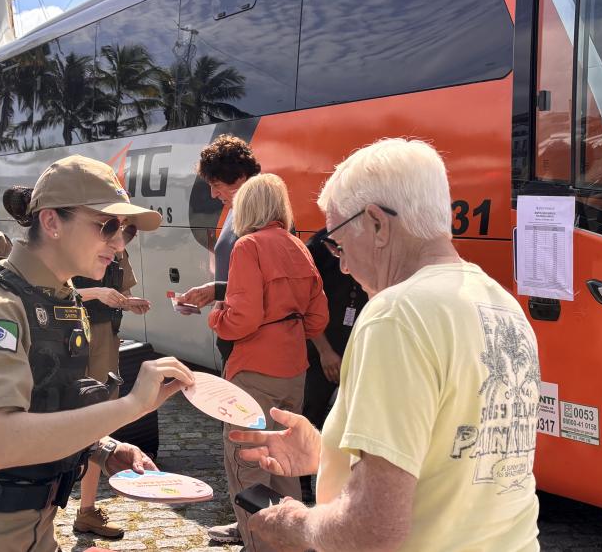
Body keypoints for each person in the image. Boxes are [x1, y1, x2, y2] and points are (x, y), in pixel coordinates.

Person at [230, 139, 541, 551]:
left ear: (376, 224)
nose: (341, 264)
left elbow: (370, 533)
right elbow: (450, 461)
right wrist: (330, 453)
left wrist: (296, 524)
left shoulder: (396, 313)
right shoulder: (501, 303)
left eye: (338, 242)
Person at [0, 155, 195, 551]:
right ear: (51, 222)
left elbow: (44, 403)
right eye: (107, 226)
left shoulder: (60, 299)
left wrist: (102, 448)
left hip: (34, 527)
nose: (118, 243)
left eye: (126, 231)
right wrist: (133, 405)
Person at [208, 173, 328, 552]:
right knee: (284, 464)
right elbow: (317, 319)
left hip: (255, 368)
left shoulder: (249, 246)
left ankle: (258, 543)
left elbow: (239, 320)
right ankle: (292, 542)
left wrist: (216, 316)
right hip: (294, 369)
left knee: (248, 464)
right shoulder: (298, 246)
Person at [176, 135, 261, 545]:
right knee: (241, 439)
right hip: (238, 337)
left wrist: (216, 294)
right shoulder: (235, 212)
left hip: (249, 341)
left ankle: (254, 528)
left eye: (216, 184)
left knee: (246, 439)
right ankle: (249, 521)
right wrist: (215, 292)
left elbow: (258, 285)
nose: (212, 193)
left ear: (238, 177)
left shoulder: (256, 216)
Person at [71, 248, 151, 538]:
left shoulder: (118, 250)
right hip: (70, 340)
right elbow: (49, 292)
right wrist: (97, 293)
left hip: (105, 341)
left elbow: (120, 292)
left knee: (98, 425)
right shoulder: (73, 238)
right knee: (63, 421)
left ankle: (87, 510)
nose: (121, 235)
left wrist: (129, 303)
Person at [299, 228, 368, 502]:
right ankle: (302, 478)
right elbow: (305, 303)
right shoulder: (318, 246)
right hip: (321, 349)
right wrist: (326, 352)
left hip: (355, 345)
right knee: (310, 414)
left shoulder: (373, 238)